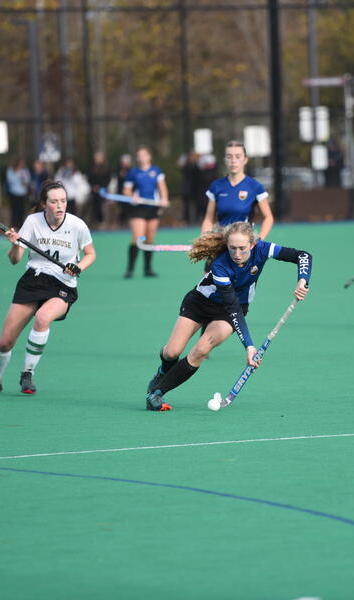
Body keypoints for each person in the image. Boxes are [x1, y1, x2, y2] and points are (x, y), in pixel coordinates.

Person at [143, 221, 312, 411]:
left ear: (253, 244)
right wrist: (249, 346)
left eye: (242, 248)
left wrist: (302, 281)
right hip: (200, 303)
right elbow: (232, 306)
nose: (237, 255)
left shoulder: (264, 249)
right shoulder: (220, 265)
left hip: (227, 312)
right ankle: (162, 372)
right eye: (232, 248)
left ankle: (157, 392)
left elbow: (303, 256)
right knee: (171, 352)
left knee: (201, 350)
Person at [0, 180, 96, 396]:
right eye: (54, 201)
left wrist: (78, 268)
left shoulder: (77, 225)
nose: (60, 206)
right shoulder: (32, 221)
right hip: (33, 281)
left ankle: (27, 373)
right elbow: (15, 260)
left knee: (42, 318)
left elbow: (91, 254)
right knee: (5, 342)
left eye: (63, 201)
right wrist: (14, 244)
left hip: (63, 284)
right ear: (43, 203)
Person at [201, 140, 274, 240]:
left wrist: (259, 240)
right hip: (222, 242)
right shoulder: (216, 186)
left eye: (238, 156)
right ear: (225, 160)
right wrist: (205, 238)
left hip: (244, 243)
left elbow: (268, 217)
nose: (233, 160)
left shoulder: (255, 186)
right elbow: (208, 219)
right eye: (229, 156)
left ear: (245, 160)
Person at [122, 145, 169, 278]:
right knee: (138, 238)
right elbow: (126, 190)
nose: (142, 157)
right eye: (139, 155)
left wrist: (164, 199)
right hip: (138, 209)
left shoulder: (156, 170)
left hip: (153, 208)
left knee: (149, 240)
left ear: (149, 156)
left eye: (144, 155)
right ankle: (130, 269)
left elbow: (162, 187)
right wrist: (132, 197)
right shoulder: (133, 172)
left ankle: (148, 269)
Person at [87, 150, 111, 227]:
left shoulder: (106, 167)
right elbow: (89, 178)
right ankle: (94, 222)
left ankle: (104, 222)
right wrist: (93, 186)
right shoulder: (91, 167)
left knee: (103, 207)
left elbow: (108, 179)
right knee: (93, 206)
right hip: (94, 191)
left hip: (103, 191)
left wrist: (102, 187)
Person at [6, 158, 31, 230]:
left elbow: (28, 180)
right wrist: (18, 176)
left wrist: (25, 181)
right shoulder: (11, 170)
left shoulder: (25, 170)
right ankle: (14, 225)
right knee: (14, 210)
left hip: (22, 193)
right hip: (14, 193)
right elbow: (10, 180)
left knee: (22, 210)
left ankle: (20, 225)